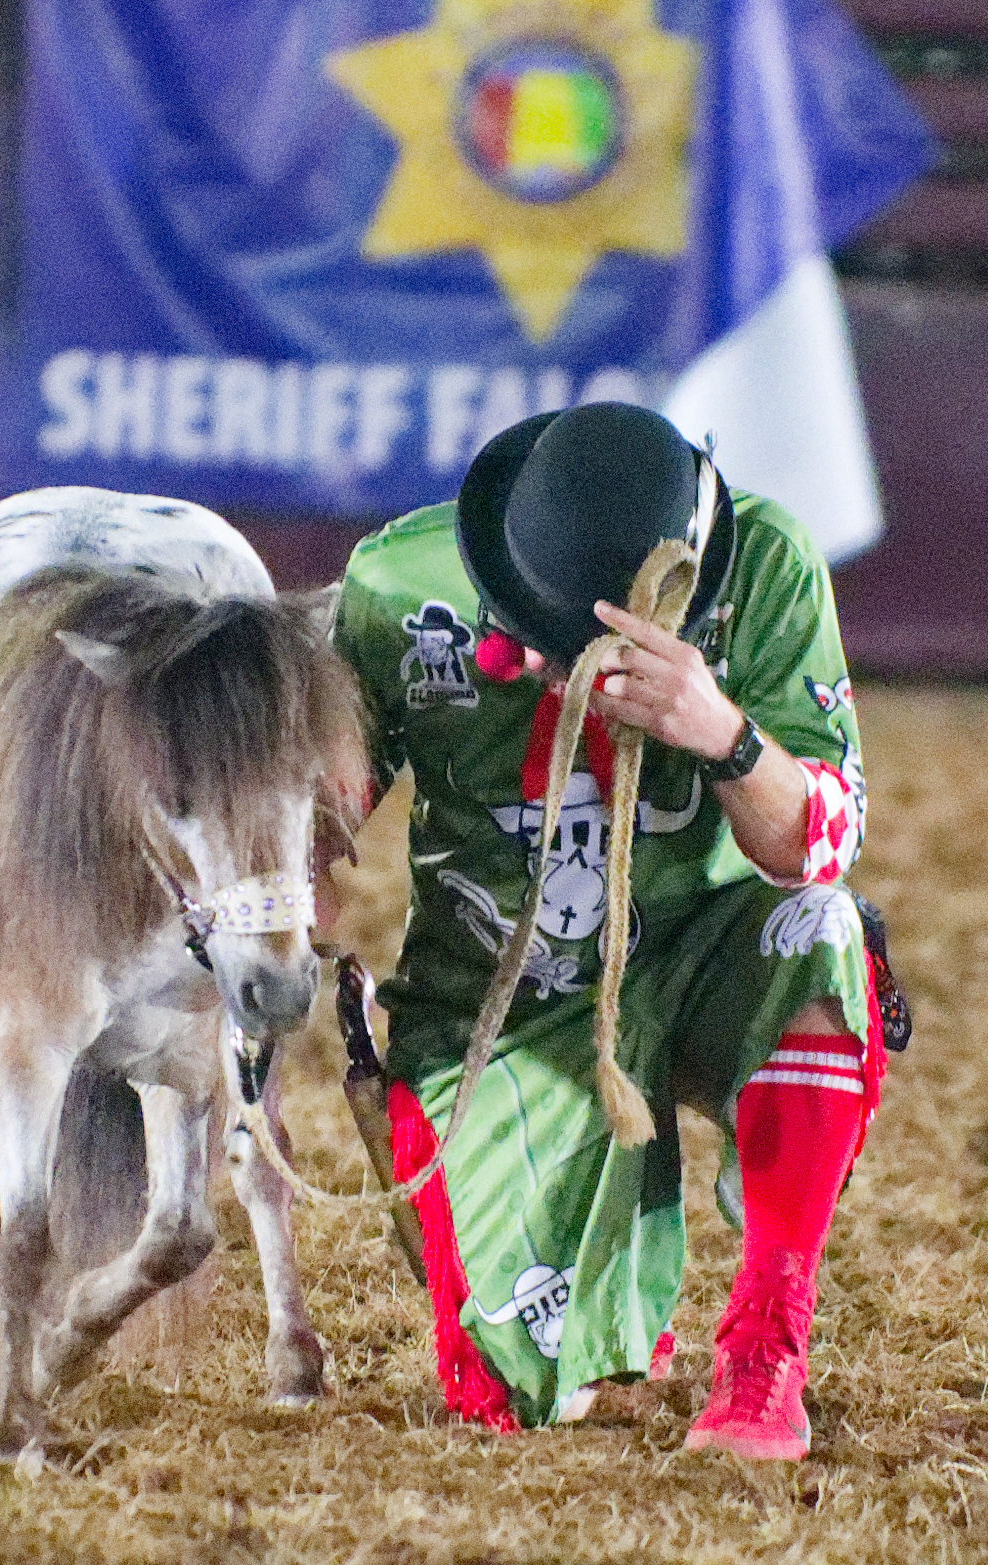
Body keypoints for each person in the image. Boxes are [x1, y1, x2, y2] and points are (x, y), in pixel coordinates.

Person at [322, 401, 900, 1460]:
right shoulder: (397, 586)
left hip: (698, 952)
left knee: (823, 930)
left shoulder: (768, 564)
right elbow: (305, 815)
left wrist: (721, 731)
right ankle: (594, 1272)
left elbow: (825, 837)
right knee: (534, 1395)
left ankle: (766, 1344)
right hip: (508, 994)